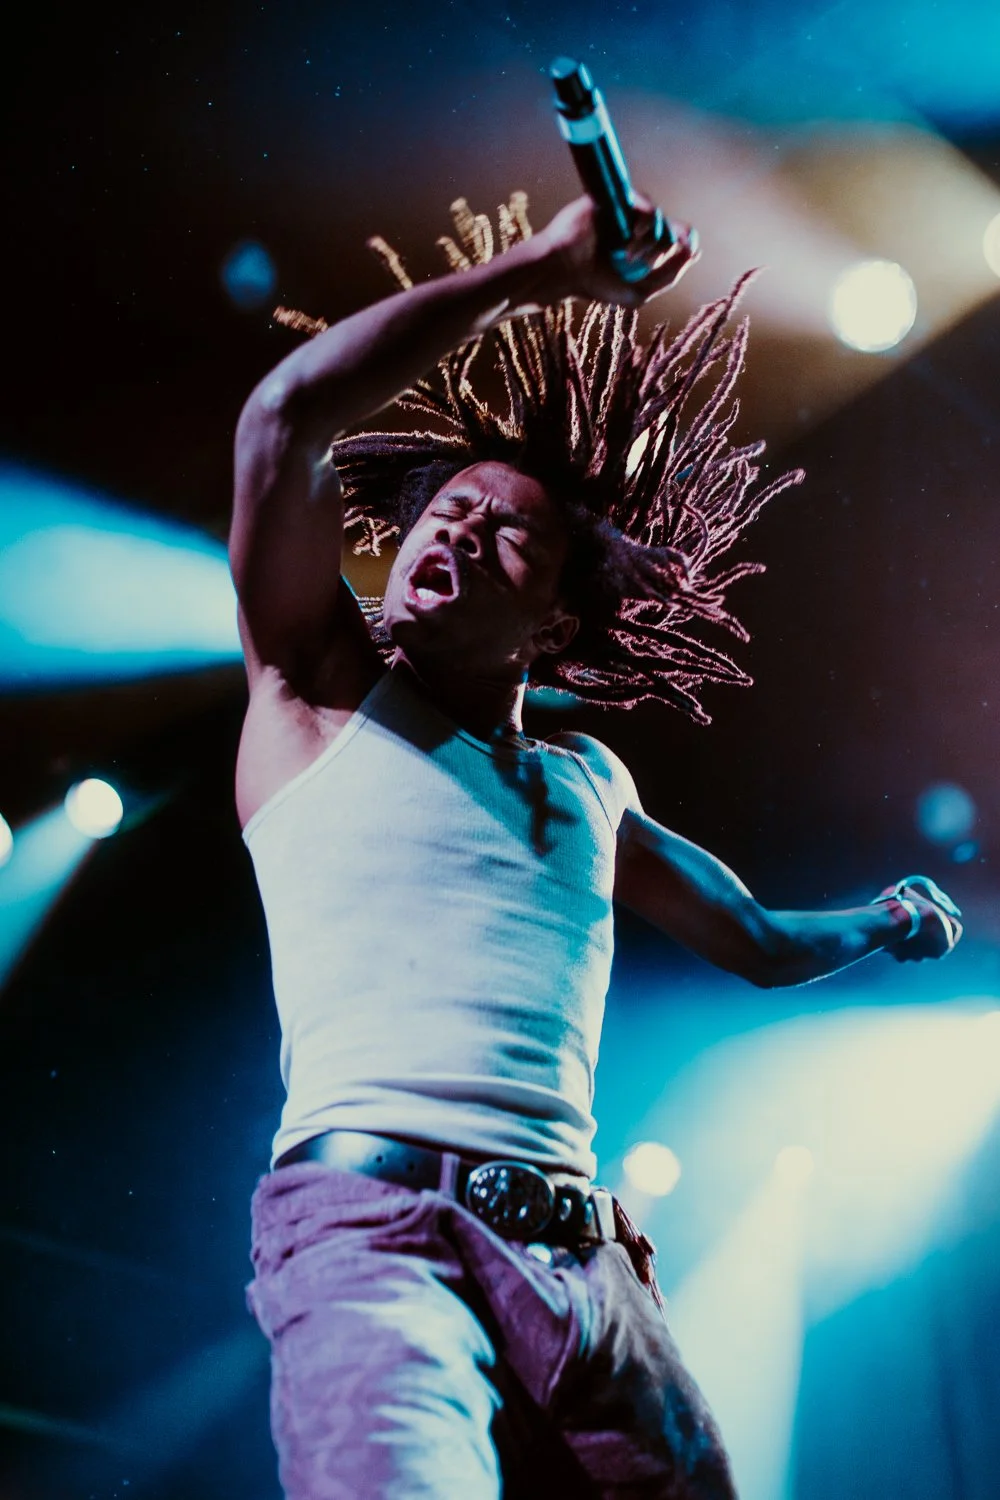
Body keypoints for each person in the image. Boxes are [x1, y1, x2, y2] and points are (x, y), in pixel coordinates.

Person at [230, 190, 962, 1499]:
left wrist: (887, 919)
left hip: (587, 1272)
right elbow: (286, 416)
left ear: (556, 627)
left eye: (506, 529)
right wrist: (534, 269)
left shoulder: (591, 786)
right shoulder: (320, 691)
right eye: (446, 509)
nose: (457, 526)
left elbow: (752, 937)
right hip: (379, 1231)